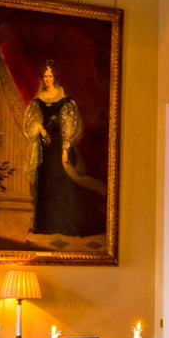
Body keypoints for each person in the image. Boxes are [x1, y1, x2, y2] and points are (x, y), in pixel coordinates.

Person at [23, 61, 103, 237]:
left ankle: (66, 224)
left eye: (50, 76)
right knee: (46, 182)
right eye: (45, 76)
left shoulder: (65, 100)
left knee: (62, 182)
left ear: (55, 77)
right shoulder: (38, 101)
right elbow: (32, 122)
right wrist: (40, 129)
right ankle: (46, 225)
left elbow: (69, 126)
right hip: (45, 148)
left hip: (60, 147)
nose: (47, 79)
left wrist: (65, 149)